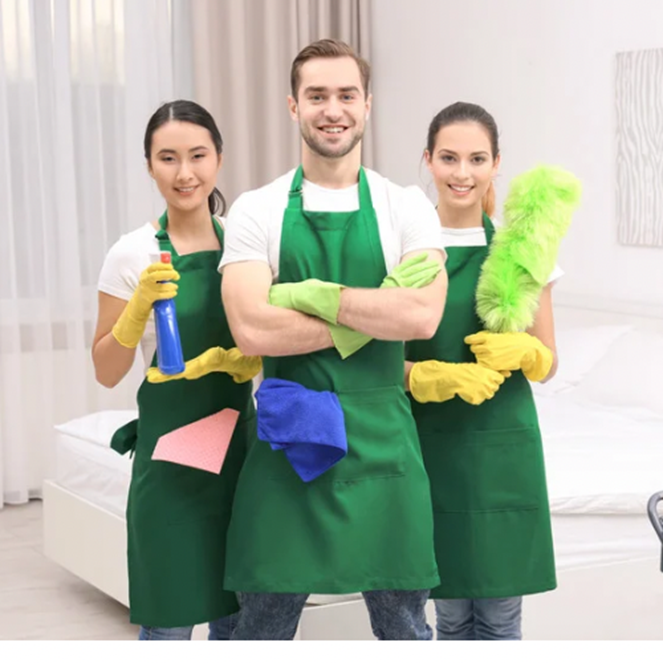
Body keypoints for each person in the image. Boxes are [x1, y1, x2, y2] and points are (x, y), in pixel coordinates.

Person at [217, 38, 448, 640]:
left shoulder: (408, 207)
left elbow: (421, 317)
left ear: (367, 104)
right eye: (316, 95)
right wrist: (372, 314)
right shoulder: (257, 208)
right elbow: (250, 327)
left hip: (385, 448)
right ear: (293, 106)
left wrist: (306, 296)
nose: (332, 109)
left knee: (404, 630)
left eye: (346, 94)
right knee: (261, 630)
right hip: (288, 439)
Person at [92, 100, 260, 640]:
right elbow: (105, 369)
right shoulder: (131, 252)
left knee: (236, 621)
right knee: (167, 623)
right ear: (148, 165)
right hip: (170, 461)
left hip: (238, 451)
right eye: (167, 158)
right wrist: (135, 312)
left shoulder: (245, 241)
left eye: (197, 156)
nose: (184, 173)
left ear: (219, 159)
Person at [405, 101, 561, 641]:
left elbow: (548, 361)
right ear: (428, 161)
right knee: (447, 614)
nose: (462, 173)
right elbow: (379, 365)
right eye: (449, 158)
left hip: (503, 450)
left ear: (497, 163)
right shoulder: (405, 251)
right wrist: (430, 377)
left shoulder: (521, 254)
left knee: (500, 617)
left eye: (476, 158)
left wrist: (523, 352)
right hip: (431, 447)